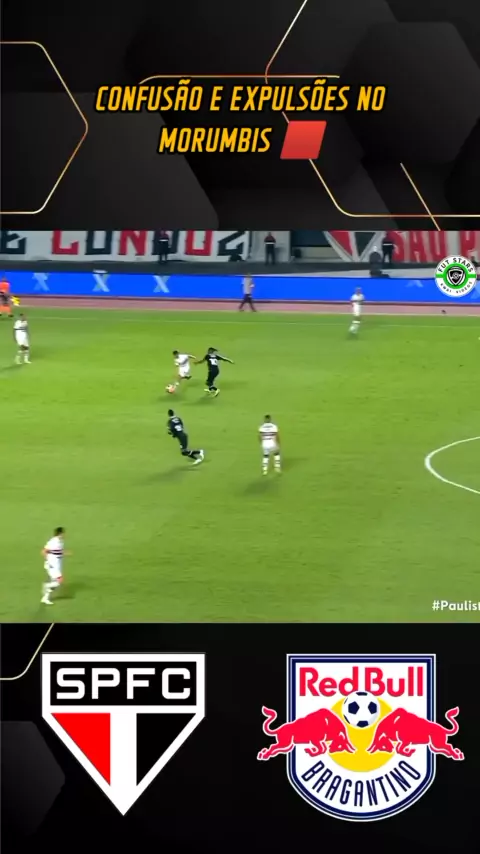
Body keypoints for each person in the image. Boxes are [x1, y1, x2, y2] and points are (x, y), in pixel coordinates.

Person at [41, 527, 69, 605]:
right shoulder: (53, 542)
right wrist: (48, 561)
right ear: (60, 534)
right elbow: (44, 551)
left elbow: (58, 552)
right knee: (59, 580)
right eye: (63, 533)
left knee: (54, 582)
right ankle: (46, 586)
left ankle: (45, 598)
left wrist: (64, 553)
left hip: (57, 564)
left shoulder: (60, 542)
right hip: (53, 565)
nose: (64, 535)